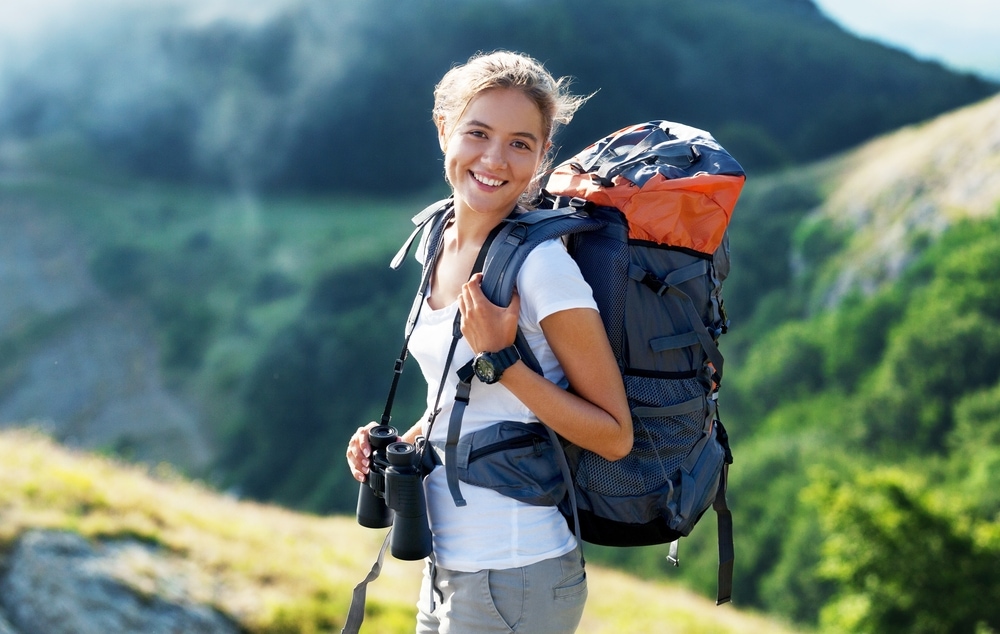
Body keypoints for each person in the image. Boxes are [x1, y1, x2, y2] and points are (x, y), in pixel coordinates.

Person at [345, 50, 632, 634]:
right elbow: (459, 399)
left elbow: (614, 435)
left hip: (516, 573)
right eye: (478, 133)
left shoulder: (543, 268)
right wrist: (405, 439)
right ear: (444, 129)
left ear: (542, 156)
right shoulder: (437, 239)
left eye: (521, 144)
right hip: (449, 566)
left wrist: (503, 360)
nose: (495, 159)